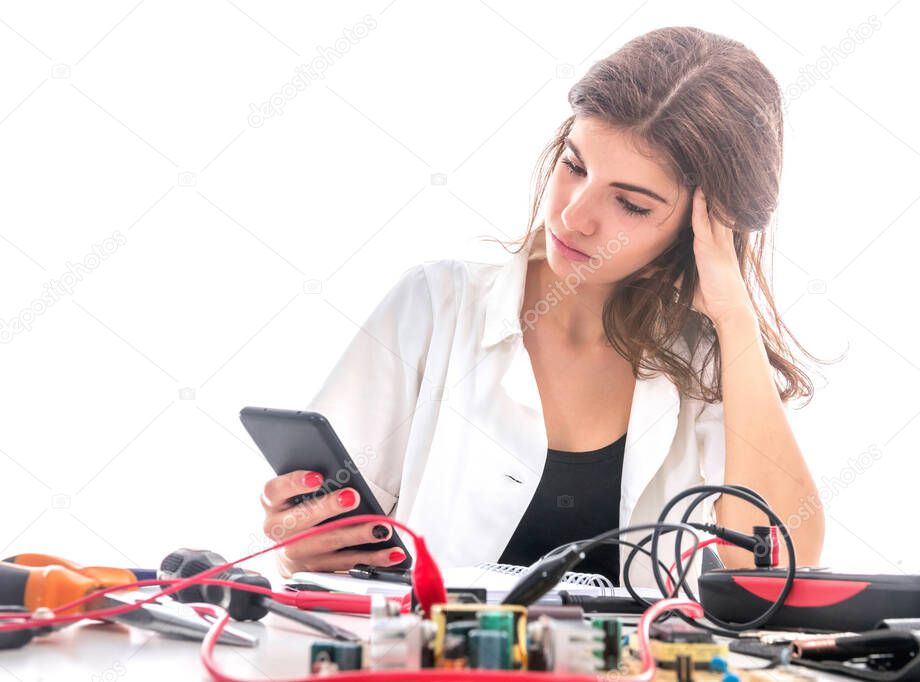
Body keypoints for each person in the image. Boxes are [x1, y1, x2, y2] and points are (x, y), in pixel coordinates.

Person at [259, 26, 827, 590]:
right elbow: (324, 542)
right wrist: (302, 546)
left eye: (629, 203)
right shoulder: (433, 307)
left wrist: (734, 316)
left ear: (697, 233)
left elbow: (781, 563)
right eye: (575, 166)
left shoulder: (706, 360)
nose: (574, 215)